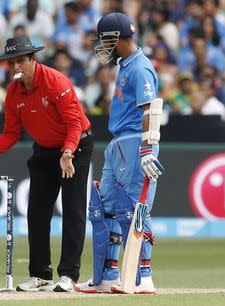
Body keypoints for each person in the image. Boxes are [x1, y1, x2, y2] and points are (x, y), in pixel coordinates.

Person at [0, 35, 93, 292]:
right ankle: (40, 275)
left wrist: (68, 151)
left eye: (21, 61)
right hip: (44, 149)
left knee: (73, 210)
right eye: (11, 63)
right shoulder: (13, 94)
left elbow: (74, 123)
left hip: (75, 147)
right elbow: (10, 134)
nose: (16, 67)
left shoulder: (56, 82)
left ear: (33, 59)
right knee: (37, 212)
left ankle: (69, 275)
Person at [75, 12, 164, 294]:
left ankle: (143, 277)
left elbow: (150, 108)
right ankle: (108, 276)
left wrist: (148, 149)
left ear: (115, 38)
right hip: (118, 143)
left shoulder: (140, 68)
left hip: (135, 142)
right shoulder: (126, 65)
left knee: (135, 209)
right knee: (106, 207)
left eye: (104, 40)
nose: (101, 47)